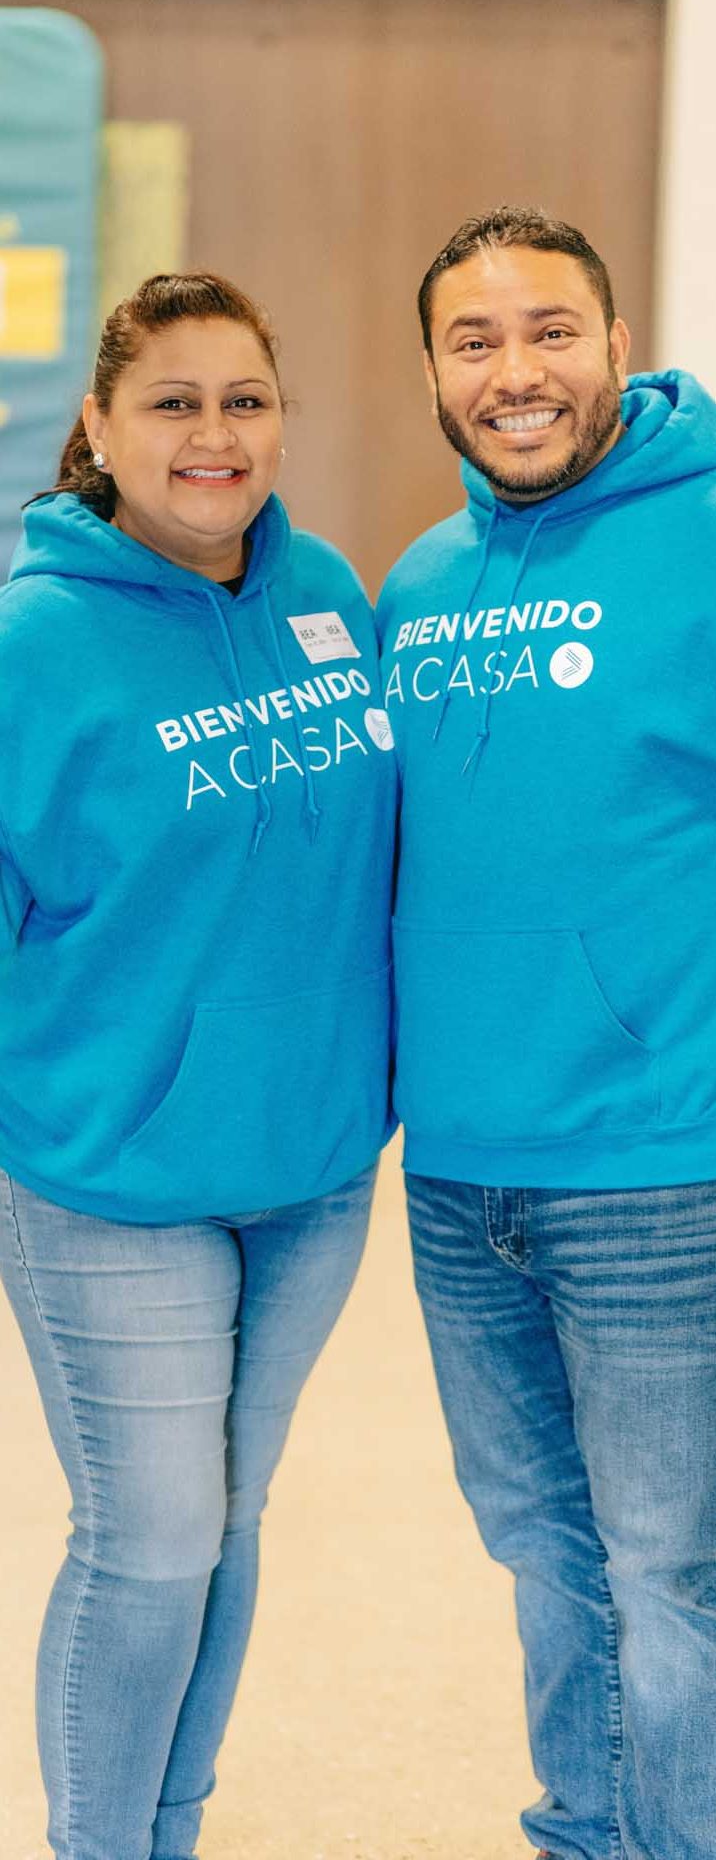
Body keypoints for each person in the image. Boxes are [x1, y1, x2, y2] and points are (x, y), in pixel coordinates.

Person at [0, 270, 396, 1860]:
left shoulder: (333, 600)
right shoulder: (33, 639)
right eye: (173, 401)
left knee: (225, 1531)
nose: (214, 434)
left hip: (308, 1177)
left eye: (245, 399)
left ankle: (170, 1830)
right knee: (153, 1537)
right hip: (114, 1177)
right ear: (101, 426)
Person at [376, 206, 716, 1860]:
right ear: (436, 374)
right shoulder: (418, 581)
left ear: (617, 345)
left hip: (661, 1162)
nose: (517, 373)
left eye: (551, 331)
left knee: (671, 1572)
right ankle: (589, 1837)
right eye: (475, 341)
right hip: (462, 1175)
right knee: (544, 1552)